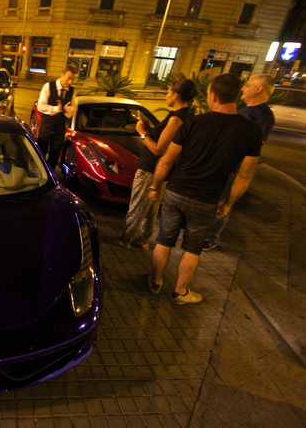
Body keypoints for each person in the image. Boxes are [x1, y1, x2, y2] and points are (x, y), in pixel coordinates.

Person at [147, 74, 263, 304]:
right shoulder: (252, 131)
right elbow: (245, 174)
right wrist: (228, 203)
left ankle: (156, 281)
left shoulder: (193, 122)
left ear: (213, 95)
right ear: (236, 96)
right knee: (192, 247)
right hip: (207, 199)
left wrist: (155, 186)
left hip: (176, 191)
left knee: (164, 239)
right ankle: (181, 292)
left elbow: (167, 159)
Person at [111, 79, 198, 253]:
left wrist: (143, 134)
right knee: (150, 207)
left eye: (168, 92)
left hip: (151, 168)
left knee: (138, 206)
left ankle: (126, 240)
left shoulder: (176, 118)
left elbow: (159, 150)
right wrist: (150, 130)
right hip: (159, 170)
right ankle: (143, 240)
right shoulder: (180, 115)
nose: (166, 95)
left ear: (176, 95)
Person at [202, 74, 276, 251]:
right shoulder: (245, 110)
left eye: (248, 85)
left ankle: (210, 238)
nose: (243, 88)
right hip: (221, 164)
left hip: (232, 168)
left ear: (259, 89)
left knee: (222, 201)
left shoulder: (263, 115)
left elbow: (253, 146)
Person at [36, 65, 77, 170]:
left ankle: (51, 177)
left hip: (60, 129)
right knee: (41, 153)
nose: (70, 82)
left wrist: (66, 111)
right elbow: (40, 106)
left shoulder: (72, 91)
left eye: (73, 79)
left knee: (54, 156)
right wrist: (56, 109)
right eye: (68, 78)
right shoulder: (48, 86)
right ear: (62, 75)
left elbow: (71, 110)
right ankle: (38, 174)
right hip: (46, 127)